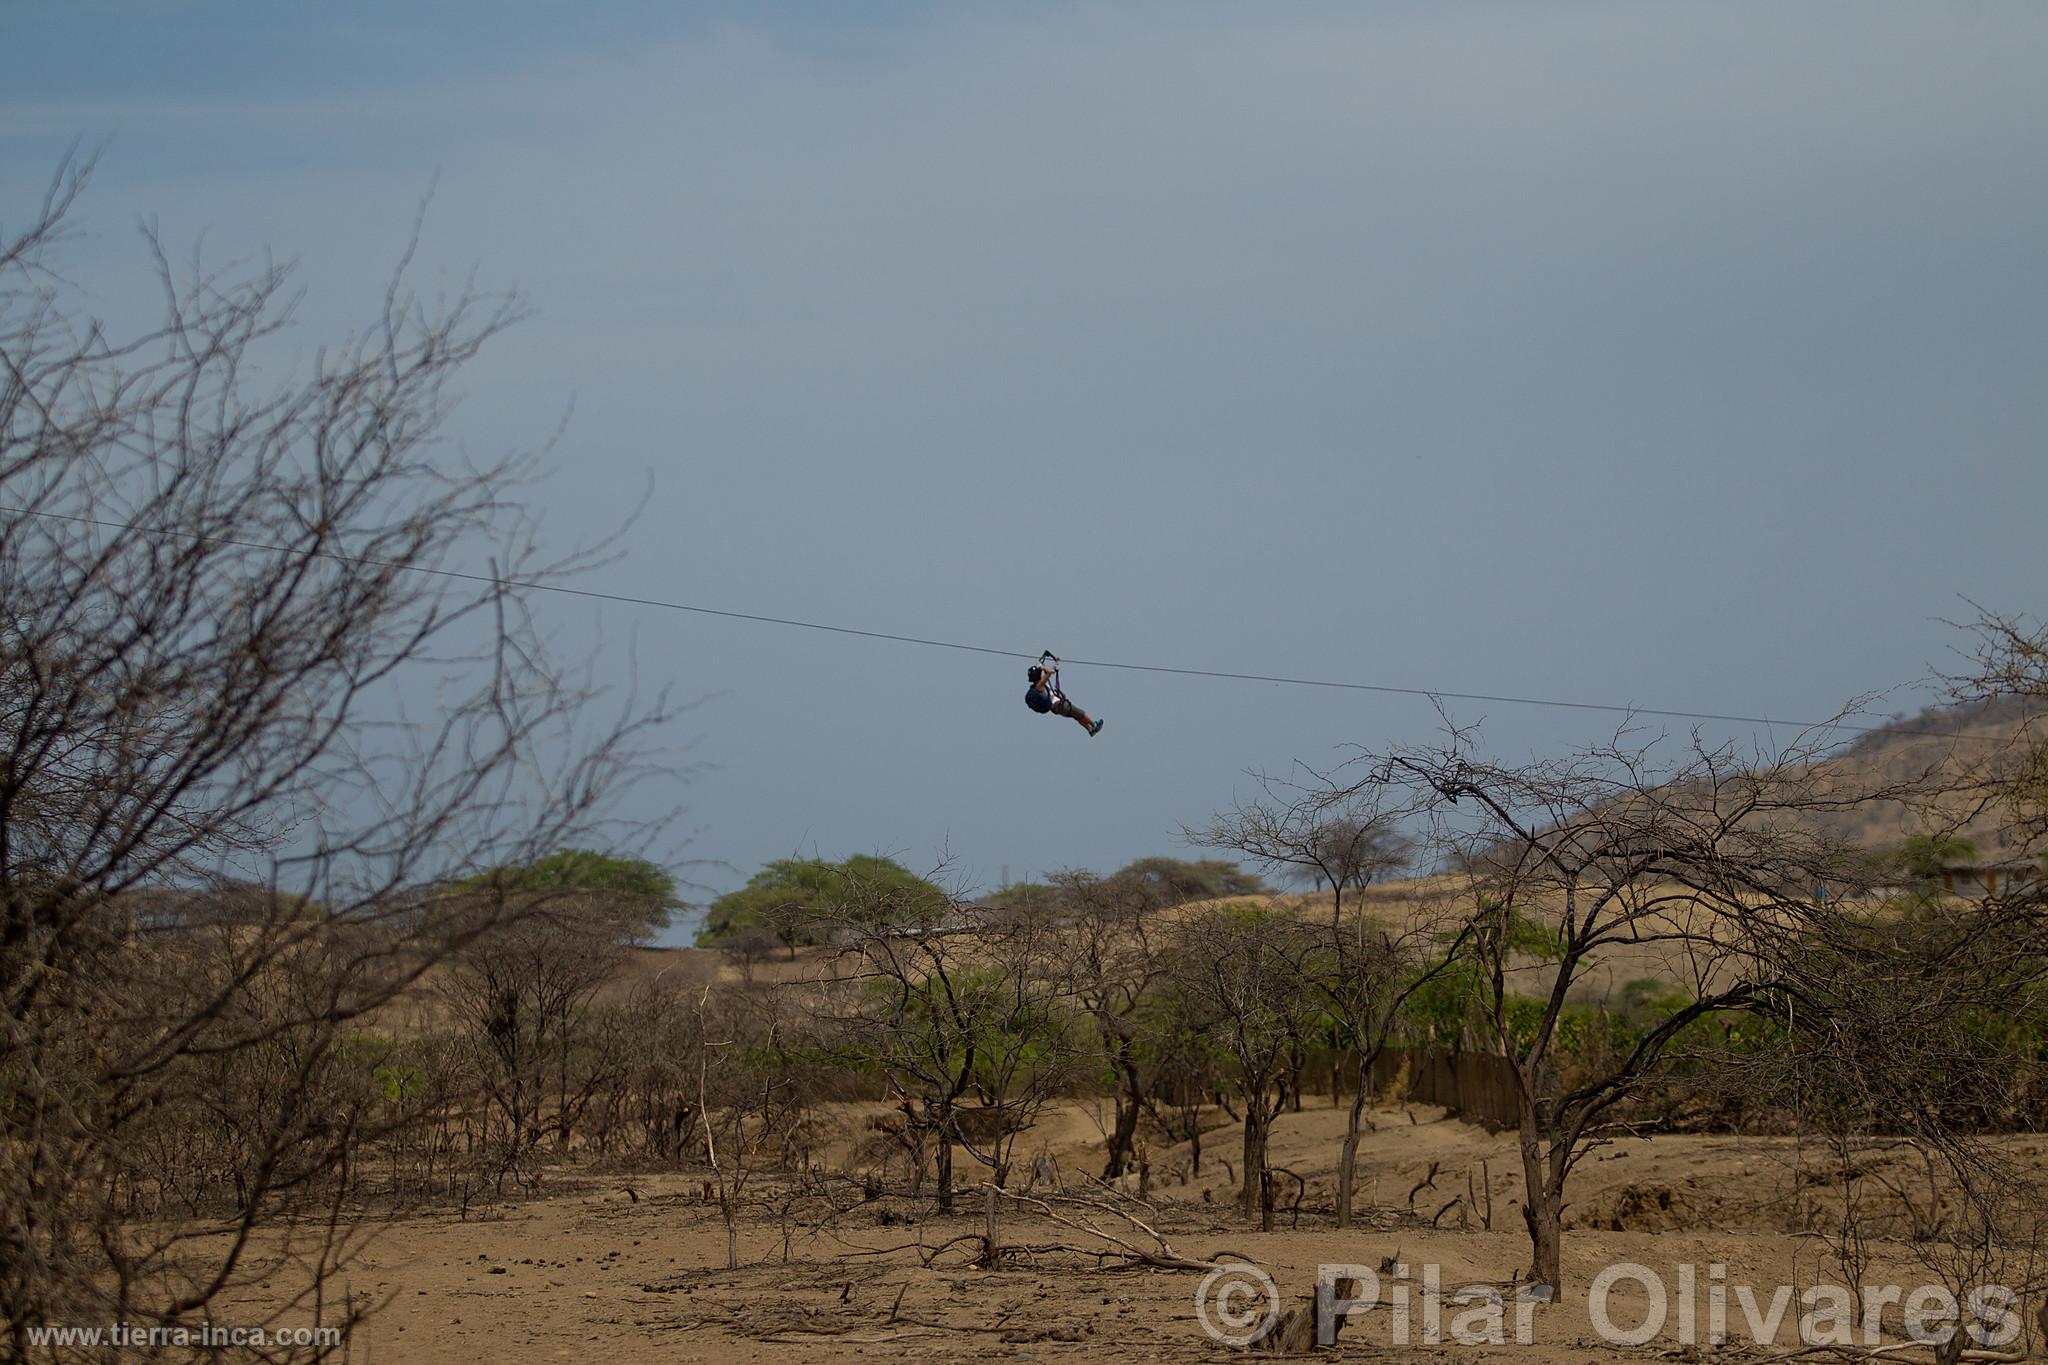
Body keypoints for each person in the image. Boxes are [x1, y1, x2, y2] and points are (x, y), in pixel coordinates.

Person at [1024, 652, 1104, 736]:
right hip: (1059, 705)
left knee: (1077, 716)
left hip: (1057, 708)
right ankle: (1093, 724)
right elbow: (1050, 672)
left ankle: (1090, 729)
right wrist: (1041, 666)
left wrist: (1054, 663)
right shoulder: (1039, 686)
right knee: (1081, 713)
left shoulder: (1041, 683)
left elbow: (1048, 671)